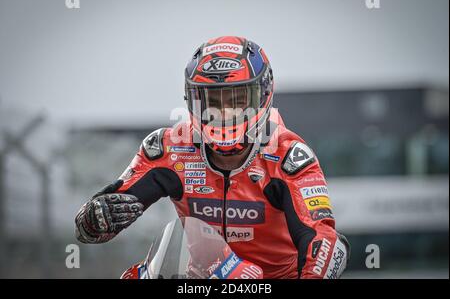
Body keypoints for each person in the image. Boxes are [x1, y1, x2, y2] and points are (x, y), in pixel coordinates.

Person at [75, 36, 350, 279]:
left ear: (263, 95)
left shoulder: (290, 156)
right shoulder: (168, 149)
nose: (225, 112)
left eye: (237, 99)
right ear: (192, 100)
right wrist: (93, 219)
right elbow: (93, 227)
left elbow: (324, 239)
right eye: (213, 101)